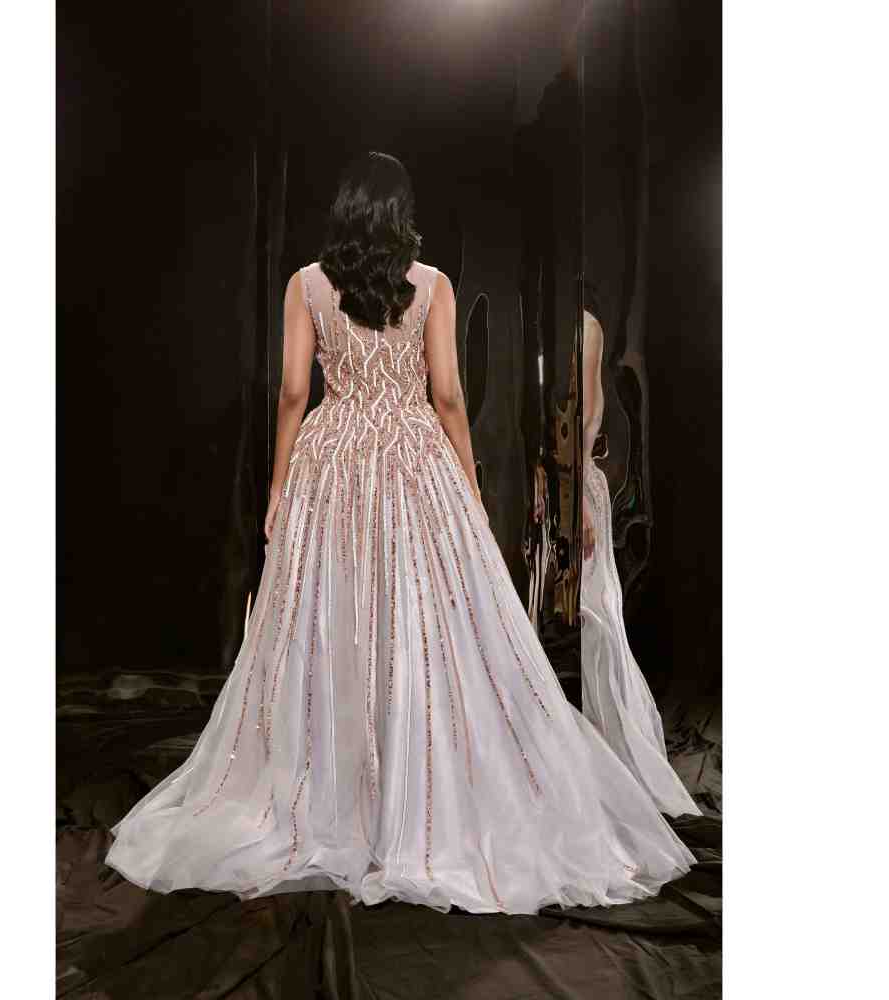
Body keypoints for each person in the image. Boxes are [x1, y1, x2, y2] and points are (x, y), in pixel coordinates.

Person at [105, 151, 695, 914]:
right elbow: (447, 395)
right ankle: (414, 783)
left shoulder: (306, 284)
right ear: (401, 211)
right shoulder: (432, 284)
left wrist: (279, 485)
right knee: (422, 614)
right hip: (414, 454)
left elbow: (293, 392)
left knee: (333, 612)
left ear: (344, 208)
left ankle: (337, 784)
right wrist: (469, 487)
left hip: (333, 457)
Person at [580, 309, 701, 817]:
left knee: (596, 618)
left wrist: (578, 496)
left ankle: (606, 753)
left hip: (577, 484)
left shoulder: (584, 324)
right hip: (554, 482)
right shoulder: (551, 319)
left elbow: (591, 412)